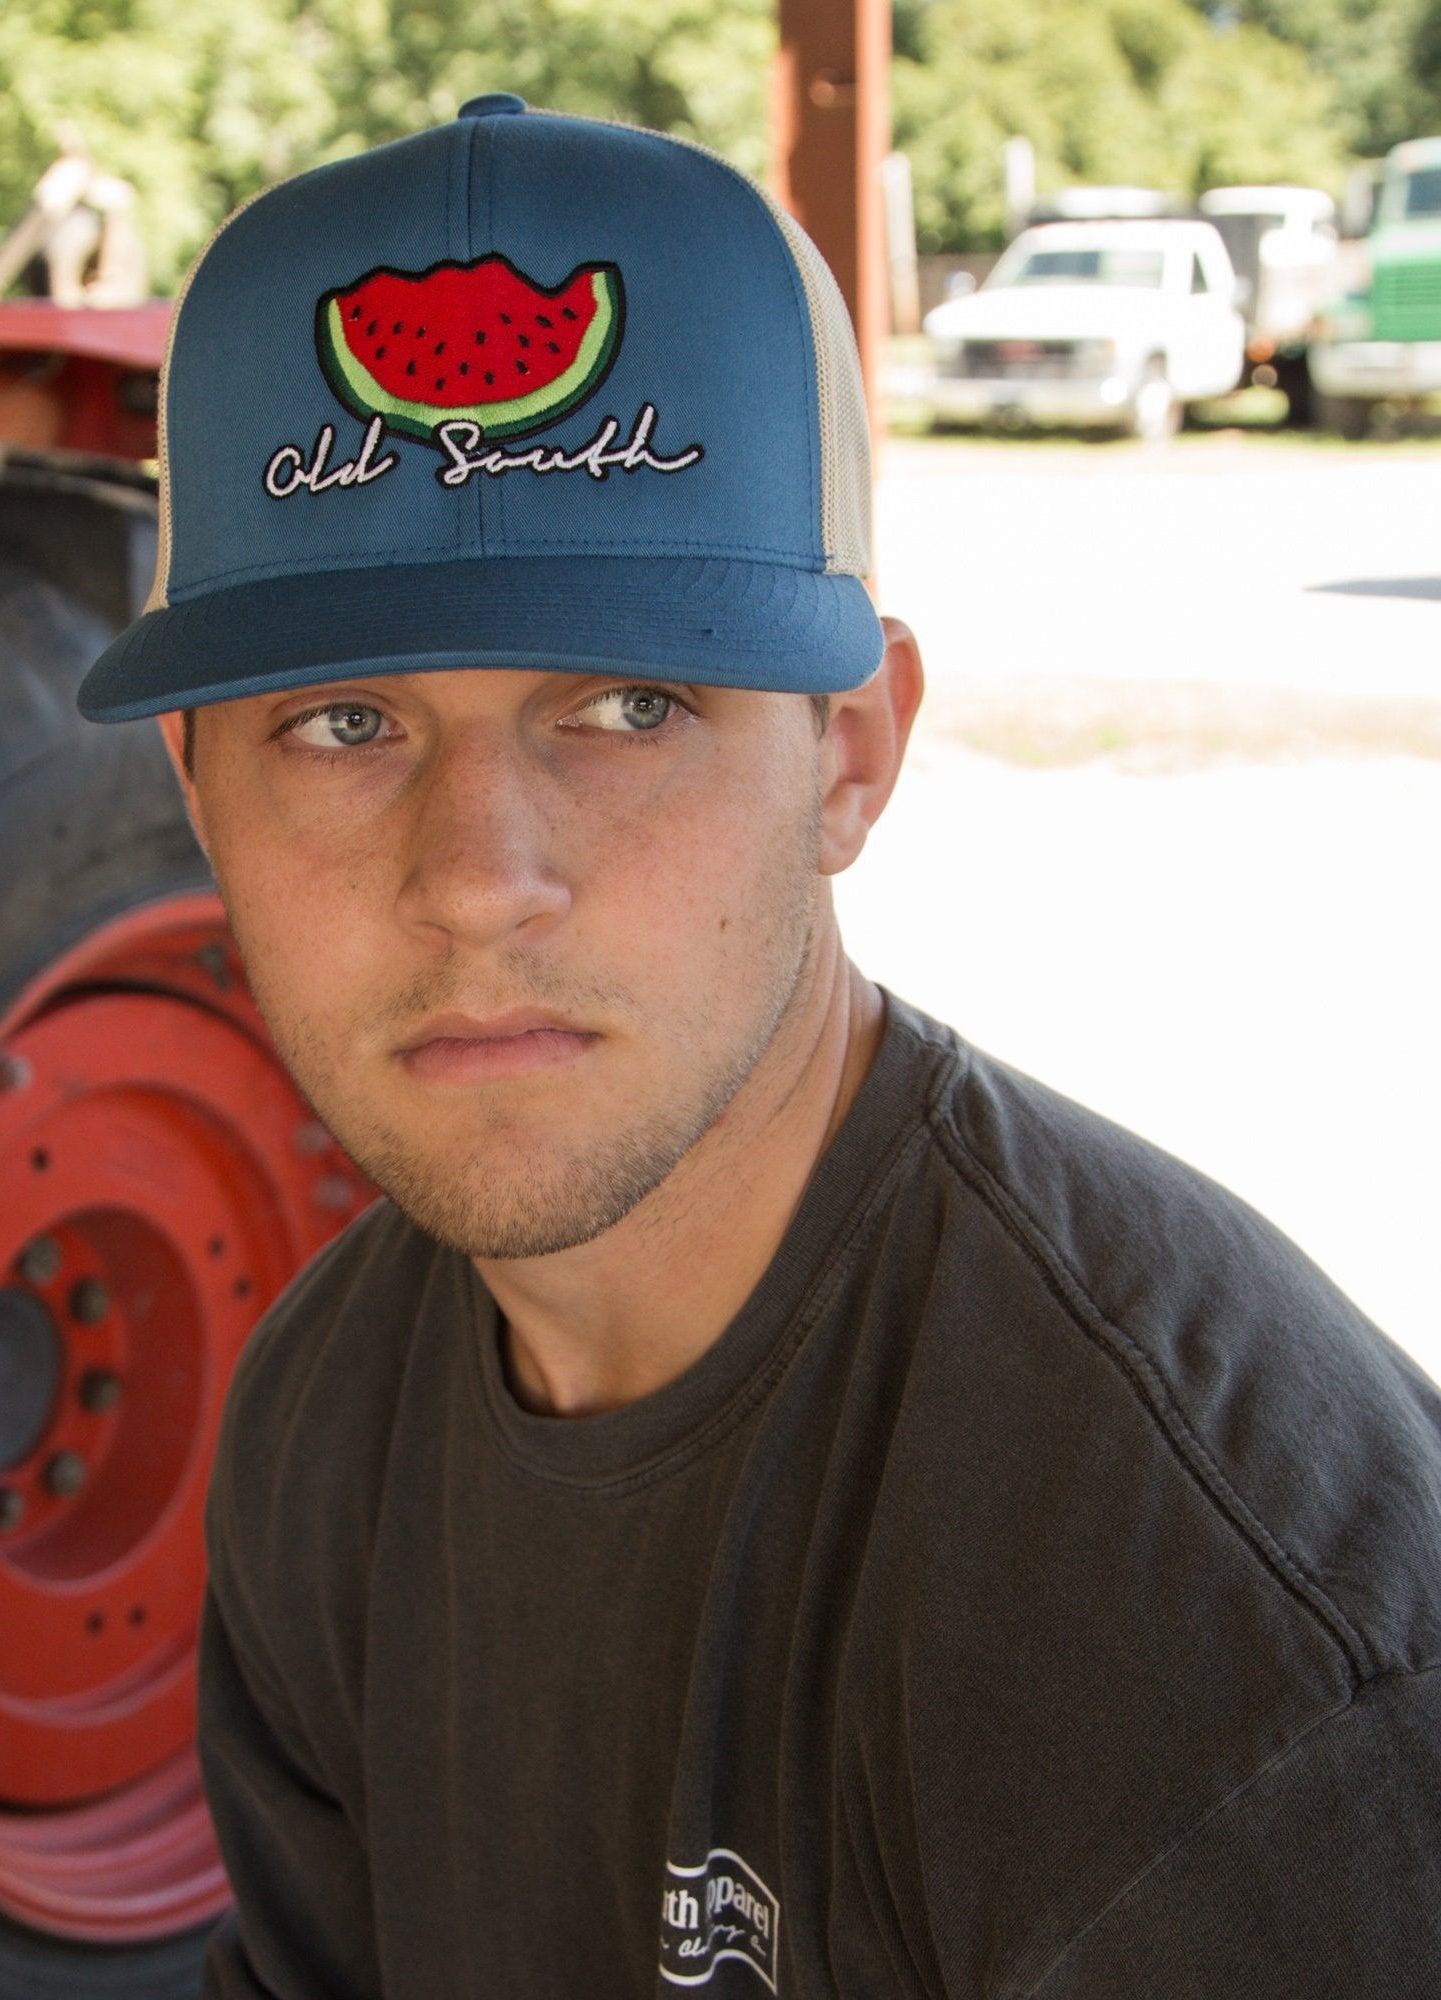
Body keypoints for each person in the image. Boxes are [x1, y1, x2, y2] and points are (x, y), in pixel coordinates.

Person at [77, 97, 1441, 2000]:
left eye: (629, 704)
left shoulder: (1197, 1627)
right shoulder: (322, 1425)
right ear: (195, 793)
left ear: (852, 756)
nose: (480, 881)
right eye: (341, 724)